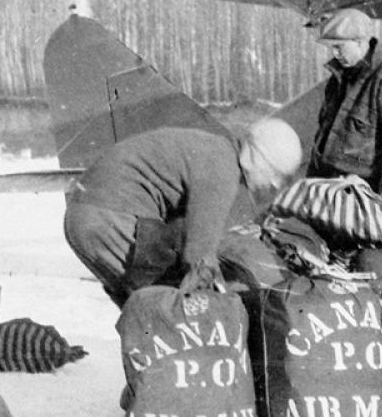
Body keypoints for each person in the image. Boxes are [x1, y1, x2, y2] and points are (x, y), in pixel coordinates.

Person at [63, 118, 302, 308]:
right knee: (171, 309)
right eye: (273, 178)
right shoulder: (223, 168)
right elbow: (198, 253)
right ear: (253, 159)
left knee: (150, 314)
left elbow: (185, 233)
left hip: (86, 215)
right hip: (111, 215)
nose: (270, 188)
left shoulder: (214, 150)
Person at [308, 8, 382, 193]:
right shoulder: (335, 83)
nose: (335, 54)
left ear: (359, 42)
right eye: (331, 48)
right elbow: (320, 145)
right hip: (328, 191)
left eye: (339, 46)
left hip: (363, 195)